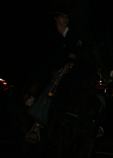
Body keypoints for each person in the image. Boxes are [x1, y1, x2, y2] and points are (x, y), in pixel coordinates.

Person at [25, 11, 82, 143]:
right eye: (62, 16)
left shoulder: (75, 33)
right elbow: (45, 52)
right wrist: (63, 60)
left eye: (67, 16)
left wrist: (74, 57)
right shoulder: (48, 33)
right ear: (55, 18)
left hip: (74, 68)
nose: (65, 19)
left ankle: (95, 122)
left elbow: (80, 50)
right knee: (51, 87)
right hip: (53, 68)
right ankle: (37, 124)